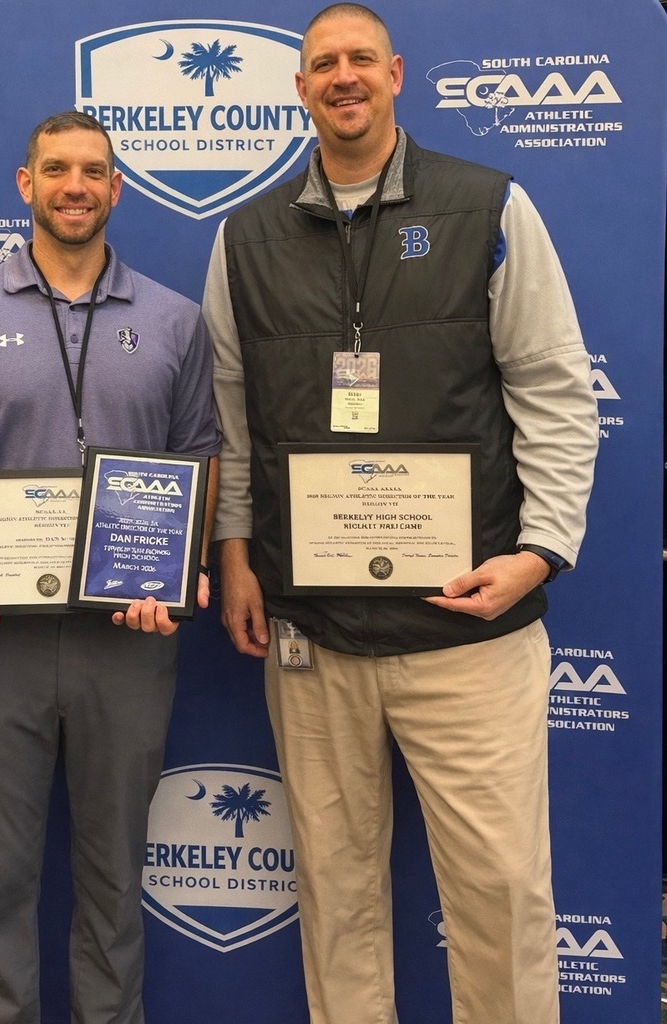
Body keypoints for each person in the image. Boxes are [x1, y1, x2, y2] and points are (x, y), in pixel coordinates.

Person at [202, 6, 598, 1024]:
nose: (343, 77)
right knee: (336, 901)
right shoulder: (244, 237)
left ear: (397, 75)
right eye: (322, 63)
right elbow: (235, 417)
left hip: (469, 629)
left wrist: (543, 549)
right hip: (314, 638)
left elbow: (555, 389)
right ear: (299, 87)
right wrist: (236, 555)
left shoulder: (488, 206)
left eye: (360, 61)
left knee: (502, 895)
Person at [0, 111, 220, 1024]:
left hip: (129, 638)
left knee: (115, 878)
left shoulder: (174, 319)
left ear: (118, 189)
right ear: (25, 184)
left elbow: (199, 459)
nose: (76, 185)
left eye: (94, 171)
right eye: (56, 169)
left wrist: (183, 566)